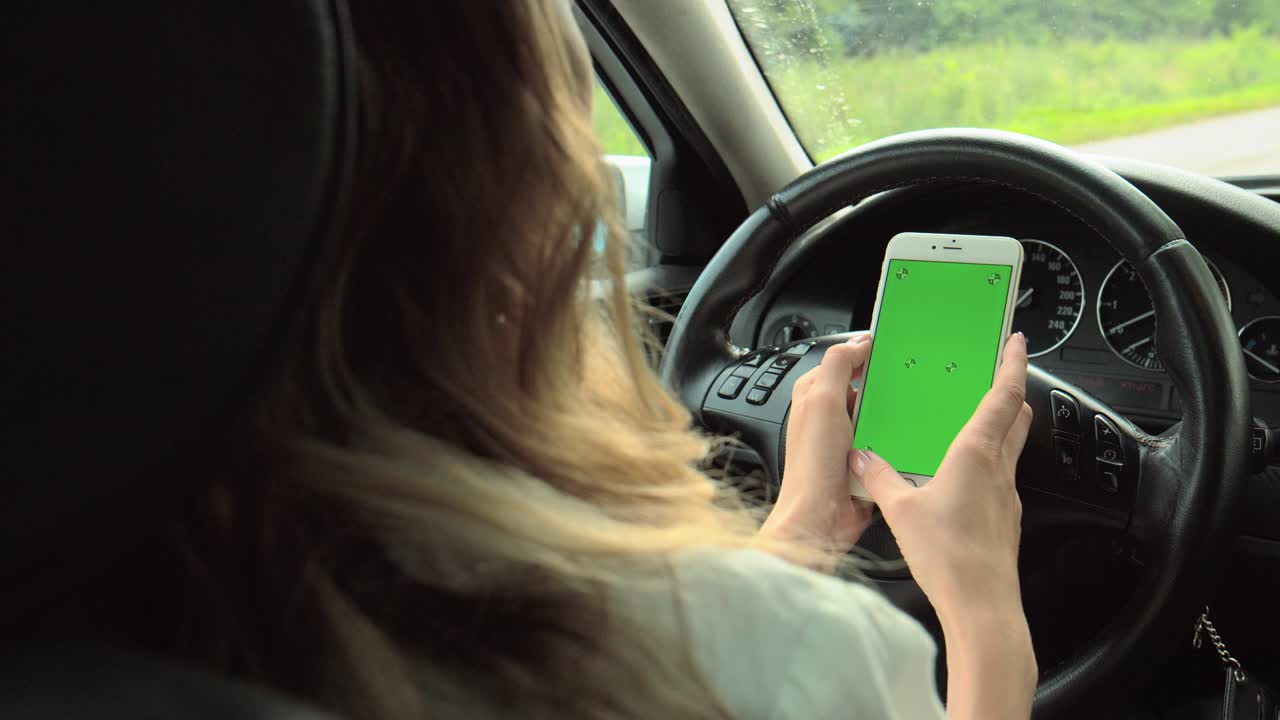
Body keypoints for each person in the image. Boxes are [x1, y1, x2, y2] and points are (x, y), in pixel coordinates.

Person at [43, 2, 1036, 718]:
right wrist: (984, 610)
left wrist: (799, 536)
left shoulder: (105, 610)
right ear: (505, 226)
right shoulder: (783, 655)